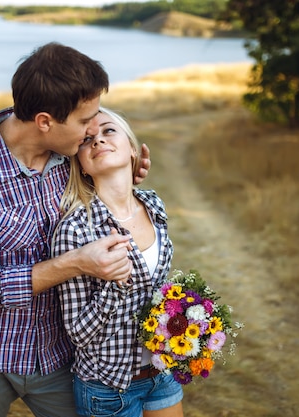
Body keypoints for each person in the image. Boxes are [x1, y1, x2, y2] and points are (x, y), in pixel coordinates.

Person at [0, 42, 151, 417]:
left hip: (59, 355)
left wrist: (124, 174)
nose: (91, 131)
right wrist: (76, 263)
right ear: (45, 121)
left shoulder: (69, 156)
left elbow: (103, 189)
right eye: (85, 121)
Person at [52, 108, 184, 417]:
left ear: (133, 149)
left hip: (161, 370)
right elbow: (78, 334)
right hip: (108, 387)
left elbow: (157, 288)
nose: (97, 140)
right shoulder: (75, 229)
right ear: (81, 165)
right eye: (87, 140)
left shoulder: (153, 205)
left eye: (108, 131)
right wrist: (114, 286)